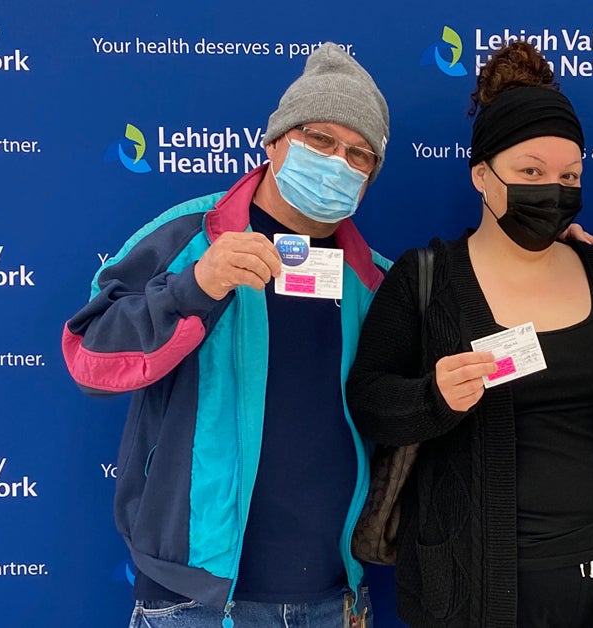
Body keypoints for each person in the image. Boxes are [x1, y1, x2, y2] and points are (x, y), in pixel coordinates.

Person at [345, 42, 593, 627]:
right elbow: (367, 400)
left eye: (569, 176)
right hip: (467, 589)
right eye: (530, 172)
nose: (552, 189)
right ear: (481, 176)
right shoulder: (424, 279)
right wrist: (432, 398)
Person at [63, 43, 393, 628]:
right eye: (320, 139)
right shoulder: (190, 236)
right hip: (196, 603)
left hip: (334, 598)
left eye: (359, 154)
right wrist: (193, 288)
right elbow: (90, 359)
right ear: (275, 142)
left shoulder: (374, 281)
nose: (338, 162)